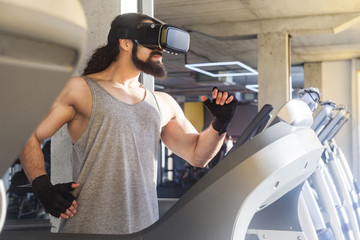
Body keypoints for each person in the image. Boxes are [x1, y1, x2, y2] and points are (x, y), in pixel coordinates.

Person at [20, 13, 237, 235]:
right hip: (88, 230)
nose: (160, 50)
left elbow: (198, 155)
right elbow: (27, 134)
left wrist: (220, 123)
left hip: (144, 230)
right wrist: (43, 189)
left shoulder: (162, 103)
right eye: (152, 40)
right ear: (124, 42)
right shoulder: (80, 90)